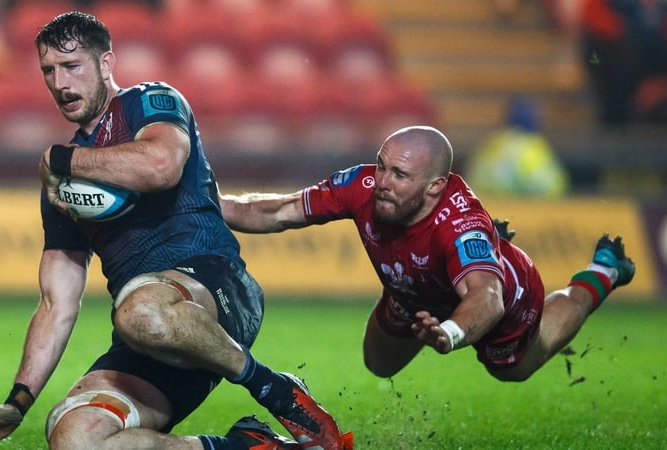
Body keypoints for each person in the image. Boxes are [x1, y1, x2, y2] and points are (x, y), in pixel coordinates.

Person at [0, 11, 348, 450]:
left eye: (72, 66)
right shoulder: (61, 186)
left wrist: (62, 160)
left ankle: (274, 388)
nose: (60, 83)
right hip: (147, 336)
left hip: (216, 290)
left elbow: (162, 165)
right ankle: (248, 446)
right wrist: (18, 403)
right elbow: (56, 303)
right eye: (49, 71)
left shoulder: (150, 102)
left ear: (105, 64)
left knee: (140, 311)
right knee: (73, 438)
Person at [220, 125, 635, 384]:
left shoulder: (459, 224)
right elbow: (280, 210)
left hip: (501, 298)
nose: (383, 181)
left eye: (400, 175)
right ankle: (469, 260)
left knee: (514, 369)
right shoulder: (365, 186)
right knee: (378, 364)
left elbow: (488, 299)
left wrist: (450, 332)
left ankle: (602, 272)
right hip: (416, 291)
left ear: (435, 187)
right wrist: (207, 204)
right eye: (382, 165)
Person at [465, 95, 570, 198]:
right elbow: (553, 188)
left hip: (481, 205)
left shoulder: (491, 143)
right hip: (518, 206)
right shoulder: (531, 146)